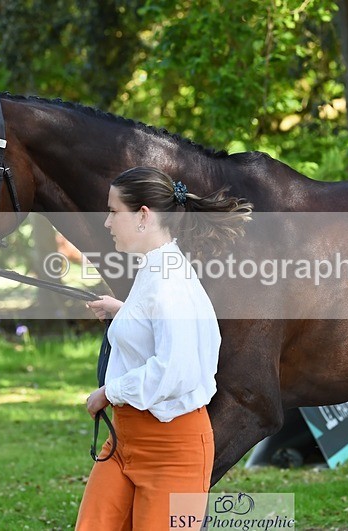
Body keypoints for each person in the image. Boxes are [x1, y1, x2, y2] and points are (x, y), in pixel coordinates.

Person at [75, 167, 252, 530]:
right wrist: (123, 313)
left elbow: (176, 368)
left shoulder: (169, 282)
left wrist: (109, 392)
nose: (107, 223)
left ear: (143, 216)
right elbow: (163, 328)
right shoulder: (157, 269)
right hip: (125, 438)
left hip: (172, 449)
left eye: (113, 211)